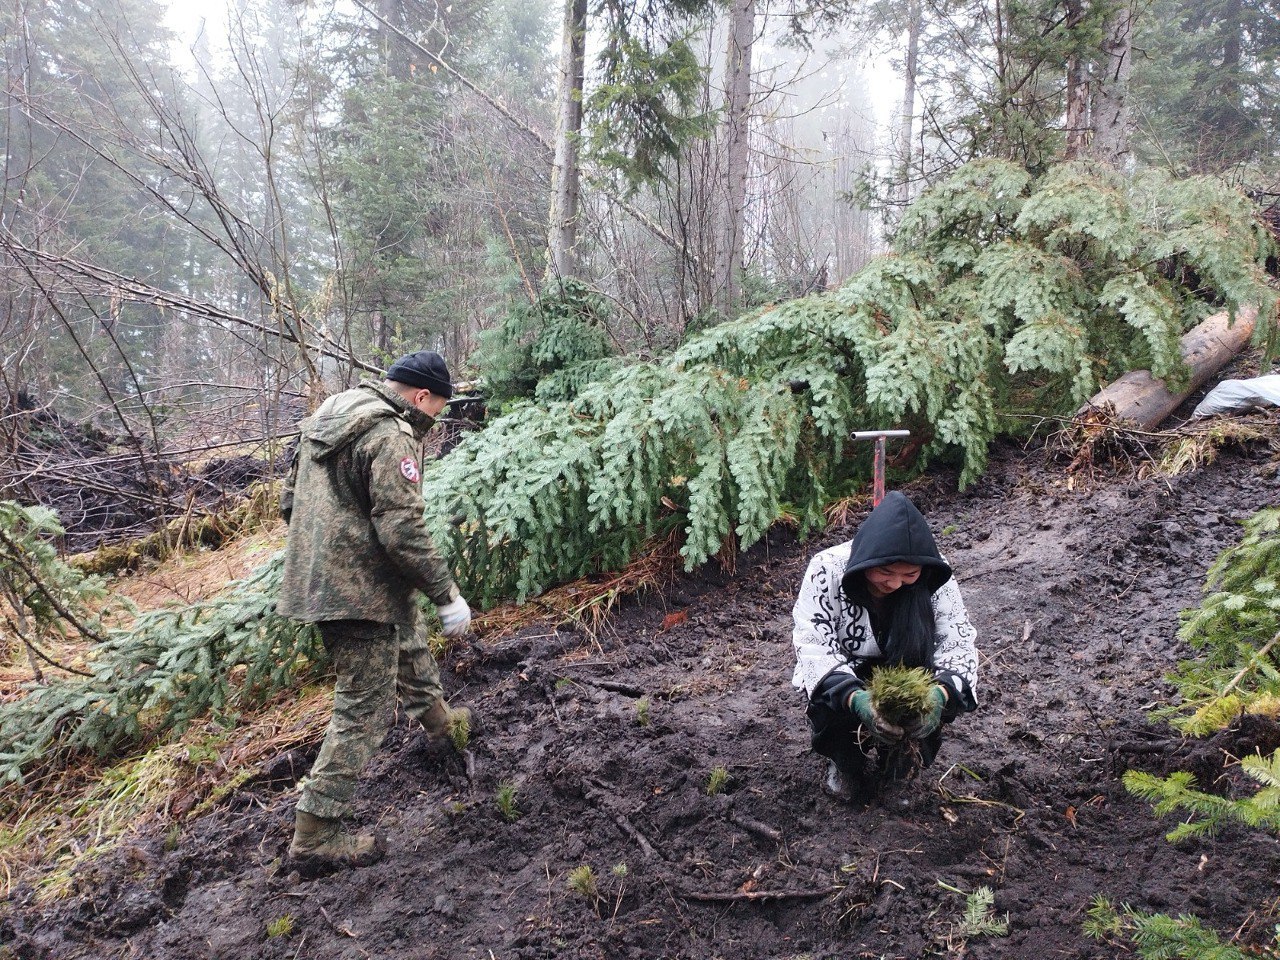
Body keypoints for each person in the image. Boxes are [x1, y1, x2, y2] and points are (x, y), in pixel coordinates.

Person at [277, 350, 474, 868]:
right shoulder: (391, 435)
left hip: (326, 579)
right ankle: (316, 833)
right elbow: (402, 530)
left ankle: (441, 727)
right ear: (421, 396)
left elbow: (287, 504)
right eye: (437, 409)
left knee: (407, 638)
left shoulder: (334, 411)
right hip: (355, 589)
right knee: (364, 706)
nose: (435, 420)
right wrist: (447, 594)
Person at [791, 491, 978, 804]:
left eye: (909, 575)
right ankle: (845, 763)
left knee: (923, 699)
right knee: (829, 696)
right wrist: (858, 701)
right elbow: (814, 647)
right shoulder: (826, 570)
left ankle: (903, 765)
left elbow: (958, 643)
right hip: (849, 675)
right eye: (886, 572)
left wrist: (938, 696)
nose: (895, 584)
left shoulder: (936, 573)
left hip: (910, 671)